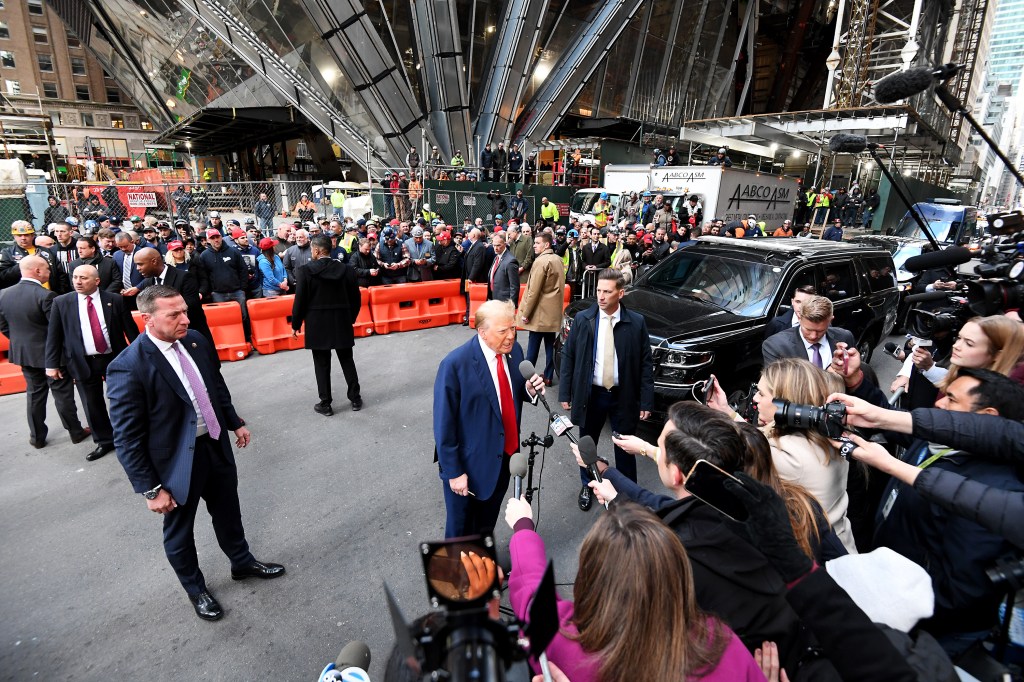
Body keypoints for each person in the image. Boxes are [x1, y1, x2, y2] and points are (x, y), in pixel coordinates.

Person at [106, 286, 284, 621]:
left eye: (185, 311)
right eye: (174, 315)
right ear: (148, 318)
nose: (185, 319)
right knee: (179, 532)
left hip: (214, 444)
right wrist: (150, 489)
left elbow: (214, 386)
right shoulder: (128, 366)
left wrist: (234, 422)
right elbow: (126, 437)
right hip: (175, 463)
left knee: (228, 512)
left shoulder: (195, 340)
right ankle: (196, 590)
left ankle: (242, 563)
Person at [836, 370, 1024, 656]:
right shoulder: (940, 442)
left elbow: (961, 593)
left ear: (987, 417)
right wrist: (859, 385)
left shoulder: (991, 489)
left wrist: (893, 618)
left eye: (951, 399)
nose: (939, 405)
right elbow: (895, 424)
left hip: (916, 627)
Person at [505, 497, 766, 682]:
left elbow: (532, 595)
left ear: (590, 580)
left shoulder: (564, 647)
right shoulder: (721, 647)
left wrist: (523, 526)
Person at [434, 300, 543, 538]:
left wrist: (530, 391)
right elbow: (444, 425)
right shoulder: (455, 365)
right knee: (460, 530)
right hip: (469, 466)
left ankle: (482, 565)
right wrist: (454, 472)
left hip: (505, 458)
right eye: (503, 331)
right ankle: (456, 574)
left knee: (487, 522)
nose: (511, 336)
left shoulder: (515, 352)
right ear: (482, 332)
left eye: (513, 328)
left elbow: (512, 391)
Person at [559, 269, 653, 510]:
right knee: (587, 443)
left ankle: (628, 494)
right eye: (599, 290)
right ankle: (588, 484)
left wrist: (646, 400)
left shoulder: (636, 323)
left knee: (624, 446)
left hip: (624, 396)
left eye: (607, 291)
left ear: (620, 293)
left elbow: (645, 364)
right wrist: (565, 393)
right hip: (592, 394)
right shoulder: (584, 319)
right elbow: (569, 356)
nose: (601, 296)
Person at [44, 264, 138, 461]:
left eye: (84, 278)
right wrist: (51, 364)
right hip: (82, 361)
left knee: (124, 399)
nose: (78, 281)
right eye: (75, 277)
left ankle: (131, 436)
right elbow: (54, 336)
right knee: (92, 404)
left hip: (114, 359)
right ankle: (104, 441)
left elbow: (130, 331)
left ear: (97, 281)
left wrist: (140, 356)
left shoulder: (115, 300)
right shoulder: (62, 302)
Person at [0, 256, 88, 449]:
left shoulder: (3, 294)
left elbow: (5, 327)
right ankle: (75, 432)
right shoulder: (46, 296)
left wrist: (22, 343)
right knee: (63, 395)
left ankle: (37, 437)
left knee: (34, 395)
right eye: (47, 269)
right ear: (38, 271)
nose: (50, 272)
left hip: (25, 355)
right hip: (53, 357)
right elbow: (58, 330)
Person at [291, 235, 363, 415]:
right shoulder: (347, 270)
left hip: (317, 323)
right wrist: (350, 318)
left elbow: (300, 300)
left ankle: (326, 403)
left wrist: (296, 323)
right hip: (342, 320)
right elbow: (356, 299)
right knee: (347, 360)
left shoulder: (305, 271)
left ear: (315, 250)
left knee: (321, 364)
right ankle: (355, 398)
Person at [134, 247, 215, 349]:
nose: (137, 268)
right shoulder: (147, 283)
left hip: (191, 339)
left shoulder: (184, 277)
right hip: (166, 344)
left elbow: (192, 307)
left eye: (140, 264)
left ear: (154, 261)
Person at [520, 233, 566, 386]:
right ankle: (548, 376)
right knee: (550, 346)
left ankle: (528, 379)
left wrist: (526, 313)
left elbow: (533, 291)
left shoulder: (541, 262)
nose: (534, 245)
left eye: (537, 243)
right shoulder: (558, 260)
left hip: (539, 312)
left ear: (546, 245)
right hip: (552, 312)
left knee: (533, 346)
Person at [761, 295, 855, 368]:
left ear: (831, 320)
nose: (813, 336)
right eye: (808, 330)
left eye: (820, 330)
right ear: (799, 318)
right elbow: (776, 387)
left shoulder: (845, 337)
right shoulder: (775, 345)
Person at [198, 229, 251, 343]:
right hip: (218, 294)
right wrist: (211, 291)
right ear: (208, 240)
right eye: (212, 238)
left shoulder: (233, 252)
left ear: (221, 237)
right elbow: (204, 276)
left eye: (217, 237)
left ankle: (247, 340)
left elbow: (243, 270)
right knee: (224, 320)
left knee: (243, 316)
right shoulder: (204, 256)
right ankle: (230, 341)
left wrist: (242, 288)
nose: (216, 240)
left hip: (237, 291)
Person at [460, 228, 492, 325]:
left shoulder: (479, 247)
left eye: (469, 233)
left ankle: (472, 318)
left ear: (473, 235)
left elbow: (477, 264)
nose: (467, 234)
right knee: (469, 298)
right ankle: (469, 317)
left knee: (473, 299)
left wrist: (471, 278)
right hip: (470, 277)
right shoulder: (475, 245)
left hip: (475, 279)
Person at [487, 232, 519, 303]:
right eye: (494, 245)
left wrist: (512, 305)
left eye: (498, 245)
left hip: (504, 301)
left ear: (505, 244)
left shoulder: (510, 261)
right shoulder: (496, 257)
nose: (495, 248)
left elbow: (514, 286)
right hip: (494, 297)